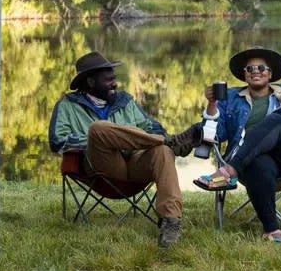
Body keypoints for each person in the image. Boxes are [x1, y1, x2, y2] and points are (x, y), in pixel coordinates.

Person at [49, 51, 203, 248]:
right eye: (108, 80)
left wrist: (137, 141)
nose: (115, 84)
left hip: (135, 165)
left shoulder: (125, 101)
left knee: (163, 151)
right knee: (98, 129)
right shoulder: (68, 105)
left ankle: (171, 222)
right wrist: (100, 140)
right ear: (90, 82)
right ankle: (169, 141)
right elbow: (58, 141)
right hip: (102, 168)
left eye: (114, 78)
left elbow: (153, 128)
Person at [196, 46, 281, 243]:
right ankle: (272, 231)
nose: (256, 71)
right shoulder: (230, 98)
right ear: (244, 74)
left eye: (261, 68)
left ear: (270, 74)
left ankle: (228, 172)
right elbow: (214, 134)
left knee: (275, 121)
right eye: (250, 68)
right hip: (252, 160)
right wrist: (212, 104)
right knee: (258, 164)